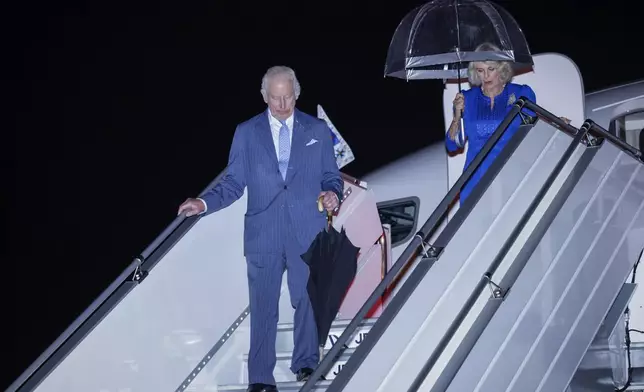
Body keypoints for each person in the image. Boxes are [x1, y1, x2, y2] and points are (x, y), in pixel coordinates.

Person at [178, 66, 343, 392]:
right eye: (275, 98)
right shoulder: (246, 132)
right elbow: (234, 183)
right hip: (263, 234)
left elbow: (331, 176)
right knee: (263, 306)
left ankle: (306, 362)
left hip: (306, 228)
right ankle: (260, 378)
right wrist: (203, 203)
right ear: (264, 97)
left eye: (288, 97)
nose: (283, 105)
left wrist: (332, 193)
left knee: (307, 297)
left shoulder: (318, 130)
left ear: (297, 93)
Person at [446, 42, 536, 203]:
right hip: (475, 180)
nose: (486, 76)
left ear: (501, 68)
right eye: (480, 71)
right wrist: (457, 115)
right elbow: (453, 145)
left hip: (513, 177)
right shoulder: (467, 98)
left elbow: (534, 134)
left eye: (491, 69)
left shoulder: (522, 93)